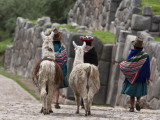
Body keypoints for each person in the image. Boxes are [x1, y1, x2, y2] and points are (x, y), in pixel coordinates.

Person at [120, 37, 150, 112]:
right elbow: (147, 67)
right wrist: (148, 78)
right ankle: (138, 101)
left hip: (132, 76)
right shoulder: (145, 56)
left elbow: (129, 64)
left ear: (134, 46)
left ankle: (132, 107)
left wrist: (123, 66)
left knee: (132, 94)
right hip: (141, 77)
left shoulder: (132, 53)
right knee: (138, 92)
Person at [41, 28, 68, 109]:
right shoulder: (62, 48)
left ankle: (44, 103)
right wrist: (63, 73)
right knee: (57, 86)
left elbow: (42, 57)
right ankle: (56, 102)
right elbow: (64, 61)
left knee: (44, 84)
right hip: (57, 69)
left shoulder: (47, 47)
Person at [79, 35, 98, 108]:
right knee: (90, 87)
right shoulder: (94, 52)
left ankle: (82, 102)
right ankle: (88, 102)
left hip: (83, 70)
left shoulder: (81, 51)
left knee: (83, 86)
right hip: (92, 70)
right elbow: (96, 63)